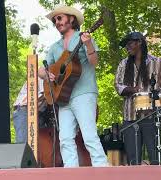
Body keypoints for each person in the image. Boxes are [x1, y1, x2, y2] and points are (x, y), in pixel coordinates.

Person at [38, 4, 108, 167]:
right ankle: (71, 173)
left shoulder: (82, 37)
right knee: (65, 138)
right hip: (63, 98)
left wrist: (88, 44)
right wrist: (46, 74)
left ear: (71, 19)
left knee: (89, 136)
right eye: (55, 20)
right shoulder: (55, 47)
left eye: (60, 17)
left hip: (84, 93)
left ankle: (103, 170)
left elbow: (94, 62)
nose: (57, 22)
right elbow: (42, 69)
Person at [115, 32, 161, 165]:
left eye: (130, 43)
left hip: (151, 117)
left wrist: (159, 104)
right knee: (133, 161)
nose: (127, 46)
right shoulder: (123, 64)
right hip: (130, 118)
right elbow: (118, 86)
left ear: (140, 42)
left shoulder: (157, 63)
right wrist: (132, 90)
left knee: (155, 158)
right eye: (126, 44)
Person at [13, 78, 48, 143]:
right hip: (24, 110)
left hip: (39, 113)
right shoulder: (40, 76)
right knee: (23, 144)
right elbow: (41, 95)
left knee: (40, 145)